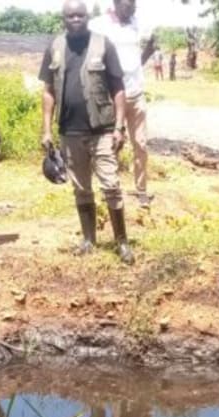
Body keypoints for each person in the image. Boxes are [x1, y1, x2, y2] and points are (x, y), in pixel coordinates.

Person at [40, 0, 134, 264]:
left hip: (102, 129)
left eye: (80, 15)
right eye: (70, 16)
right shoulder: (54, 47)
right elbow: (48, 91)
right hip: (69, 131)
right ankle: (89, 240)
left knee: (111, 185)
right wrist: (46, 129)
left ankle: (122, 242)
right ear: (63, 19)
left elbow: (118, 88)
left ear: (87, 17)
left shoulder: (103, 44)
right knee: (81, 188)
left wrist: (119, 127)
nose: (76, 20)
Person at [89, 0, 155, 209]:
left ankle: (141, 190)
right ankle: (110, 188)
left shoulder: (136, 23)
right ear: (117, 4)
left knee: (141, 144)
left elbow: (137, 58)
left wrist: (149, 51)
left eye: (135, 4)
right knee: (111, 144)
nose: (134, 8)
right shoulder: (99, 25)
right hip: (112, 95)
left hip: (136, 94)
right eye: (130, 4)